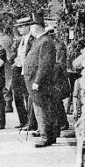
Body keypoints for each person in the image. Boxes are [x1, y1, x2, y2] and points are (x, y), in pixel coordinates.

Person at [23, 14, 58, 147]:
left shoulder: (45, 41)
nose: (30, 29)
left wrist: (37, 81)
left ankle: (45, 136)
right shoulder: (40, 40)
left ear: (36, 27)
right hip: (35, 81)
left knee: (41, 109)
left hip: (40, 83)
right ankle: (49, 135)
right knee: (41, 108)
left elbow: (45, 64)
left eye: (31, 26)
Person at [9, 17, 33, 130]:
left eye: (22, 26)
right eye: (18, 27)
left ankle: (31, 122)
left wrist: (23, 62)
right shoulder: (19, 40)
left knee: (27, 97)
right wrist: (14, 59)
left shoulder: (32, 40)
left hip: (27, 71)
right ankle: (22, 120)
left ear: (28, 26)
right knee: (17, 96)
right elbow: (12, 53)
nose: (19, 29)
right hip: (17, 71)